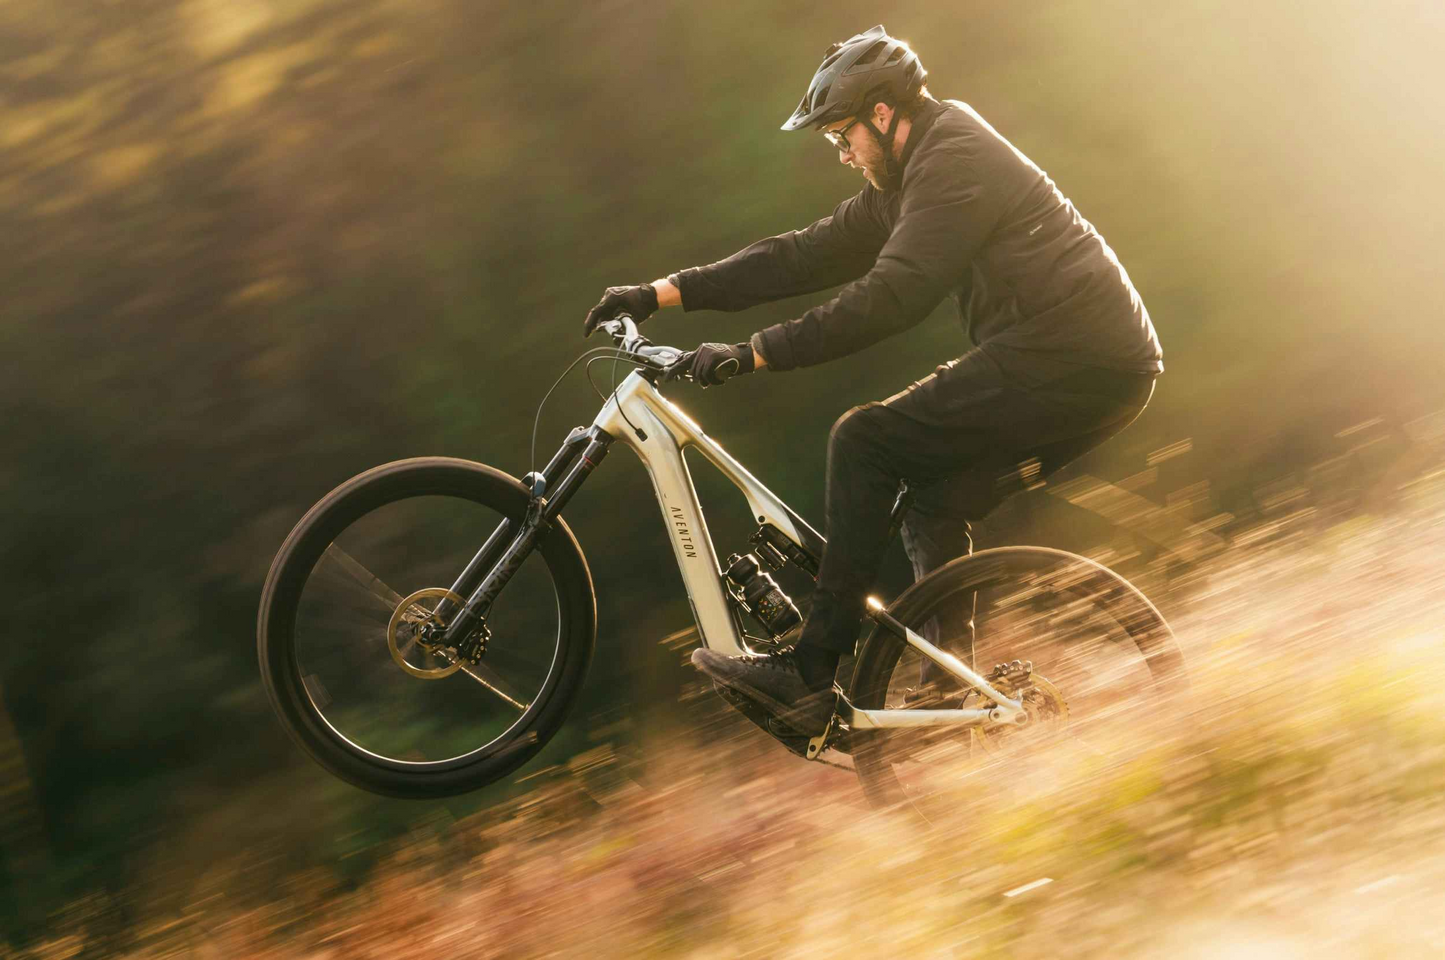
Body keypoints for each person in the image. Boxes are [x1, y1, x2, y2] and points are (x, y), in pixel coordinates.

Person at [582, 25, 1163, 736]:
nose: (841, 155)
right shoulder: (908, 172)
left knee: (864, 440)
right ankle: (950, 698)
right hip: (1074, 360)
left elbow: (893, 297)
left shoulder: (952, 162)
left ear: (882, 115)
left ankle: (809, 674)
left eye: (841, 136)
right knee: (932, 501)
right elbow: (802, 256)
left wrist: (755, 352)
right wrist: (660, 293)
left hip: (1076, 357)